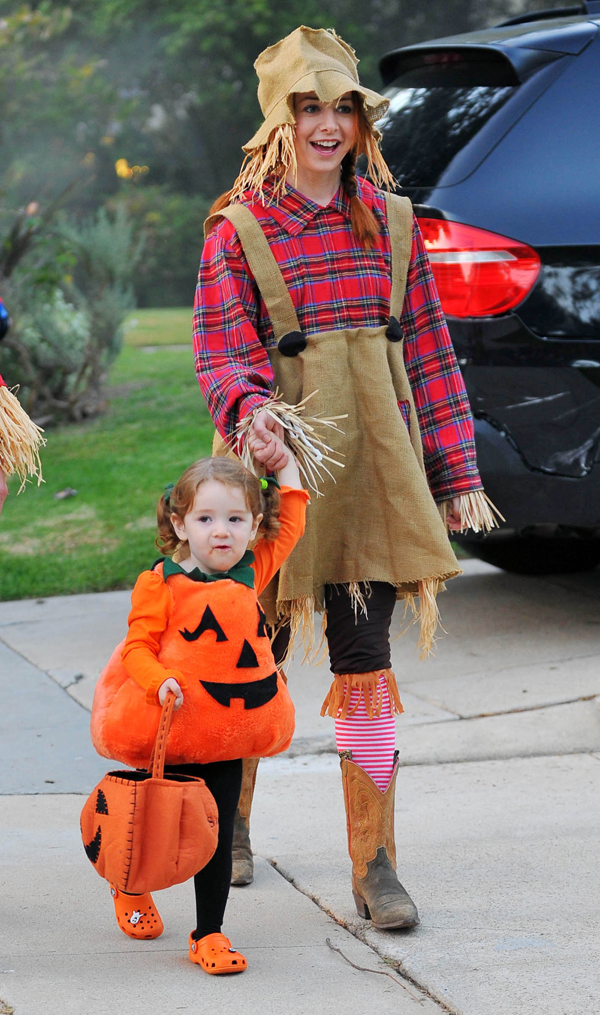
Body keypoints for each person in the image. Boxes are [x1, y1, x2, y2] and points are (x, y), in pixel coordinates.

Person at [193, 26, 500, 930]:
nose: (328, 126)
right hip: (276, 486)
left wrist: (452, 472)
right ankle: (230, 821)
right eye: (310, 108)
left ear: (362, 122)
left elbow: (434, 354)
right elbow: (220, 352)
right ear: (280, 124)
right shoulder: (238, 230)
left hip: (369, 474)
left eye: (343, 109)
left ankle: (375, 863)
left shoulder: (394, 223)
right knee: (251, 659)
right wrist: (255, 411)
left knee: (366, 664)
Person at [91, 452, 308, 974]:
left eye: (235, 520)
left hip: (224, 737)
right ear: (180, 524)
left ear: (254, 525)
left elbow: (295, 521)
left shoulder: (251, 571)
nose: (221, 533)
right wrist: (156, 679)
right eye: (206, 519)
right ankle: (130, 887)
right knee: (151, 825)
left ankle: (208, 933)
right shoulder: (160, 584)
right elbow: (136, 647)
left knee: (213, 835)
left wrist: (286, 467)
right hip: (167, 729)